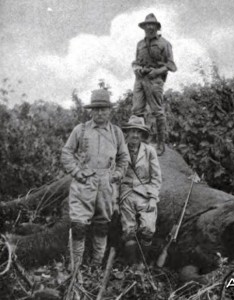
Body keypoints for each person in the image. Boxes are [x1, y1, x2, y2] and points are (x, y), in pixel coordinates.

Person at [61, 88, 129, 270]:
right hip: (84, 183)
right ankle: (75, 268)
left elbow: (124, 157)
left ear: (110, 110)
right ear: (90, 111)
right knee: (78, 226)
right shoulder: (81, 130)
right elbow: (66, 153)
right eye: (96, 109)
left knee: (102, 226)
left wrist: (116, 175)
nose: (100, 113)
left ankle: (96, 267)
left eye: (103, 109)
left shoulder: (116, 133)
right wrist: (76, 172)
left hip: (106, 185)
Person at [132, 13, 177, 156]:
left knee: (157, 111)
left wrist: (157, 72)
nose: (149, 27)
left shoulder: (164, 43)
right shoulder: (140, 44)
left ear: (157, 27)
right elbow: (135, 62)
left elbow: (171, 65)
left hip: (155, 79)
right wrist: (137, 69)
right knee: (137, 111)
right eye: (147, 25)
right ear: (144, 27)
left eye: (152, 25)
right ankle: (141, 141)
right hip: (140, 79)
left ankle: (161, 143)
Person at [119, 115, 162, 267]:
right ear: (127, 133)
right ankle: (133, 265)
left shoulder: (149, 151)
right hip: (126, 193)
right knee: (128, 230)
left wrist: (152, 198)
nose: (135, 135)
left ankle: (143, 263)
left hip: (145, 193)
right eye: (132, 131)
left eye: (138, 132)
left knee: (148, 229)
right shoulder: (120, 150)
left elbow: (156, 177)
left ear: (142, 134)